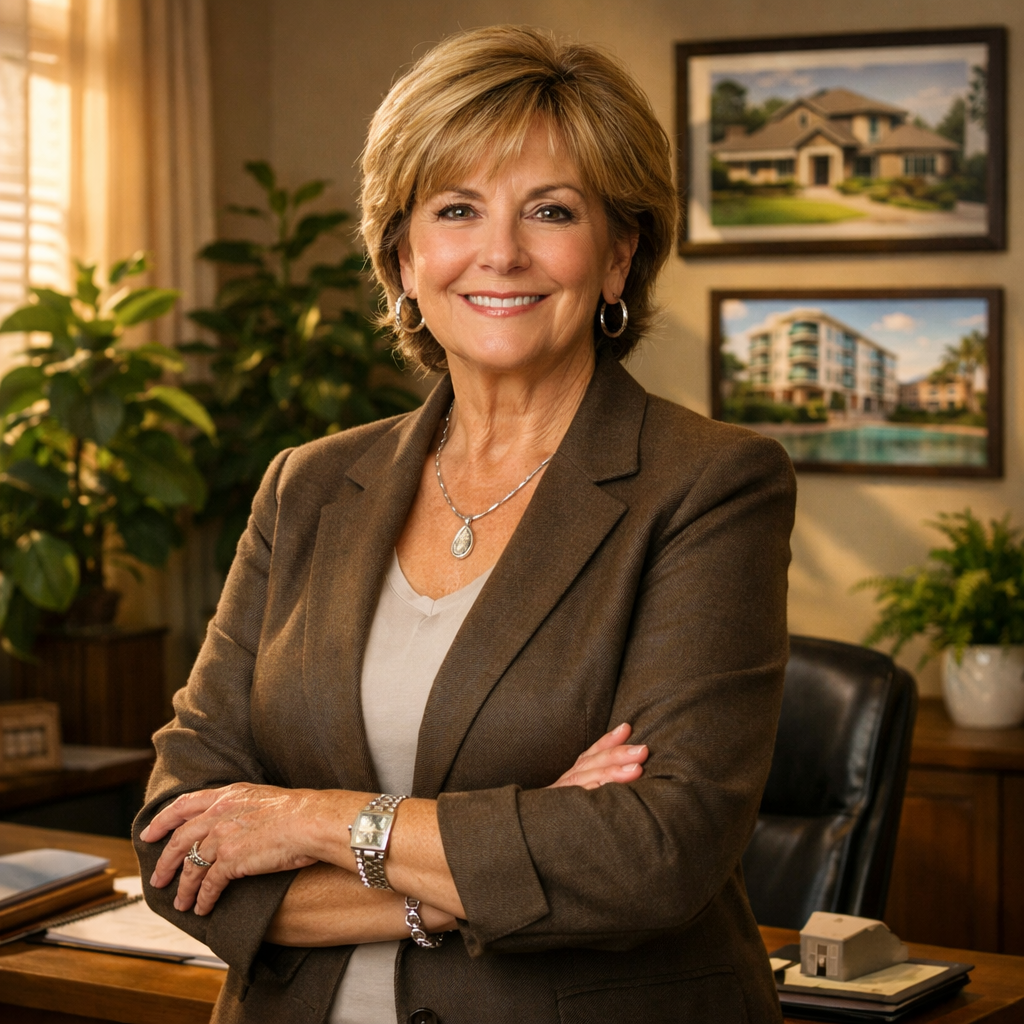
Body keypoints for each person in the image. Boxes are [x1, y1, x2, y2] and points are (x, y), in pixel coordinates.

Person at [135, 24, 796, 1024]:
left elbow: (650, 854)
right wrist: (479, 874)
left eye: (551, 210)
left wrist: (307, 820)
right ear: (401, 255)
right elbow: (179, 845)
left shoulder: (711, 486)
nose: (500, 252)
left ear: (618, 254)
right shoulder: (306, 485)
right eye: (455, 208)